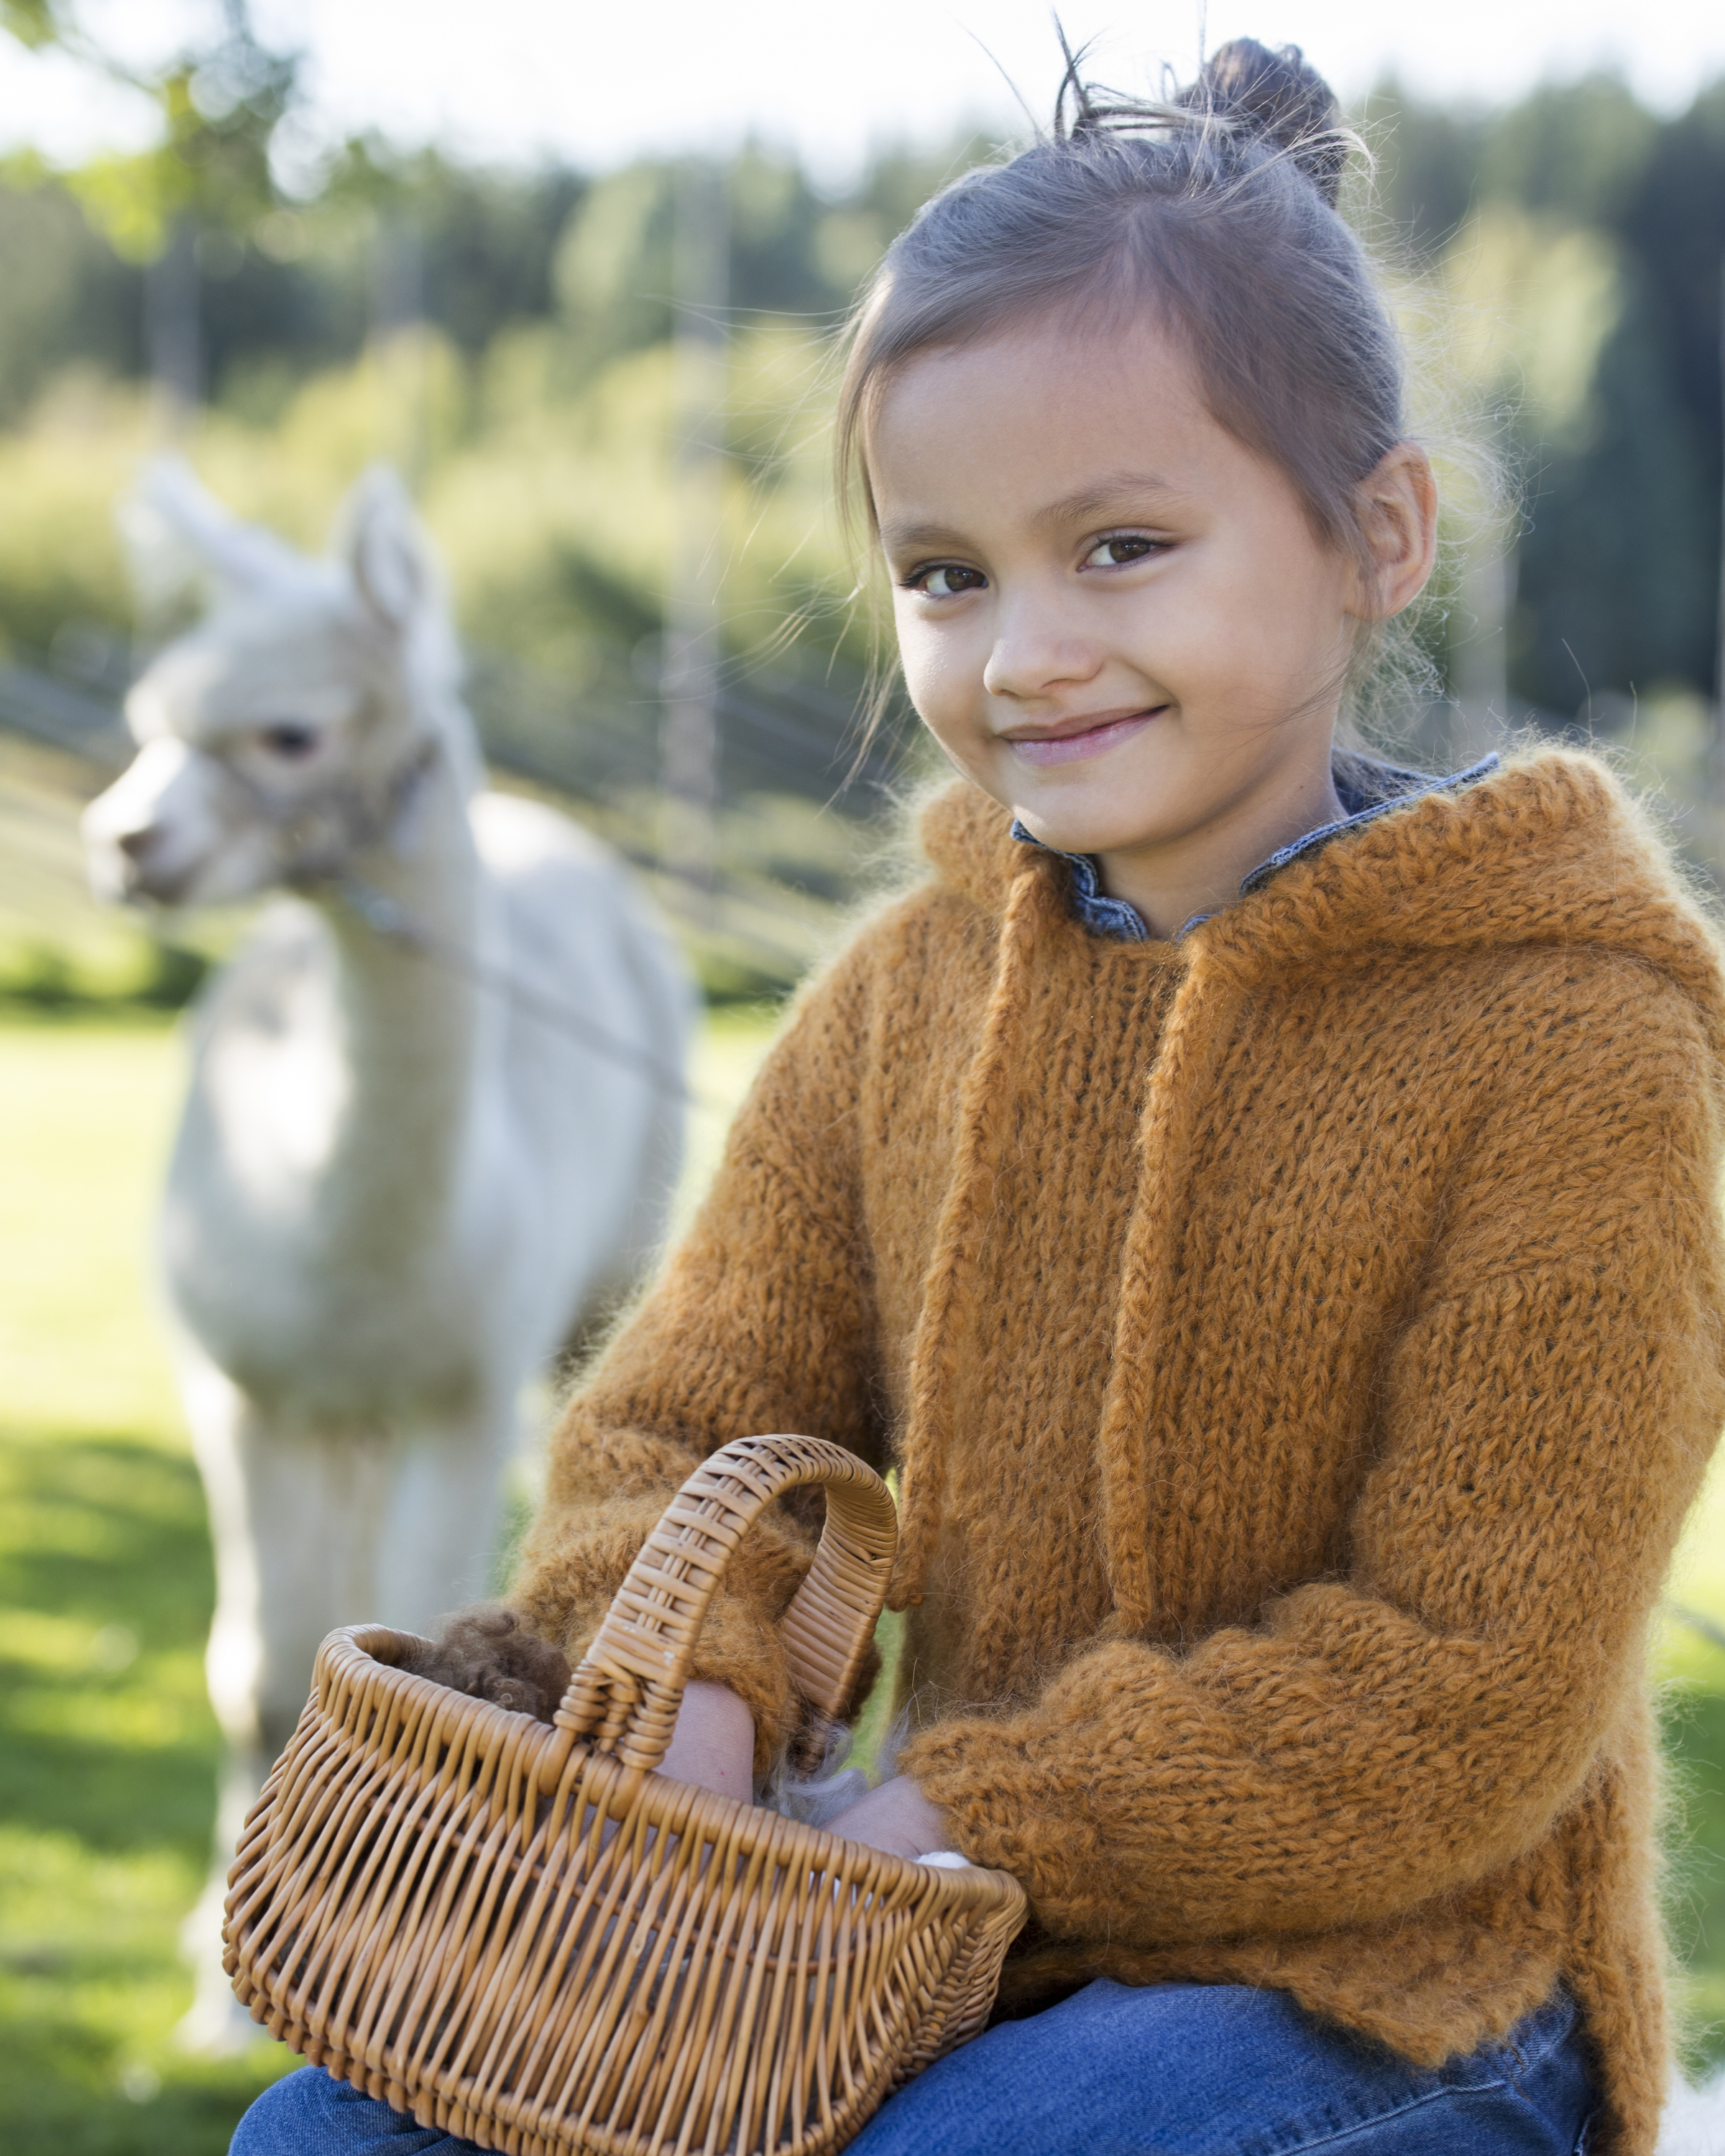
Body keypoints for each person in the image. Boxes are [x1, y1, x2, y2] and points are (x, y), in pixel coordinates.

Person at [231, 37, 1725, 2156]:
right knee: (326, 2138)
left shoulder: (1571, 1038)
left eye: (1120, 546)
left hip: (1414, 1999)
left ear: (1374, 535)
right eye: (946, 574)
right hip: (928, 1935)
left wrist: (964, 1804)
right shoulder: (901, 999)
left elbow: (1467, 1685)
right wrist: (716, 1709)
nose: (1023, 652)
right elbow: (679, 1423)